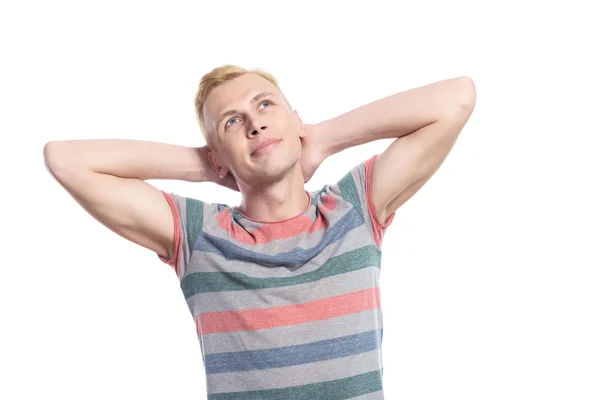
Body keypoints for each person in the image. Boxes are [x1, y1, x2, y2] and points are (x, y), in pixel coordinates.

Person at [44, 64, 476, 399]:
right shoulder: (199, 236)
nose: (255, 124)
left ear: (294, 119)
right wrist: (209, 166)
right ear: (217, 155)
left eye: (266, 105)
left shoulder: (354, 208)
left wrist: (320, 137)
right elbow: (65, 159)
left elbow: (458, 97)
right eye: (233, 122)